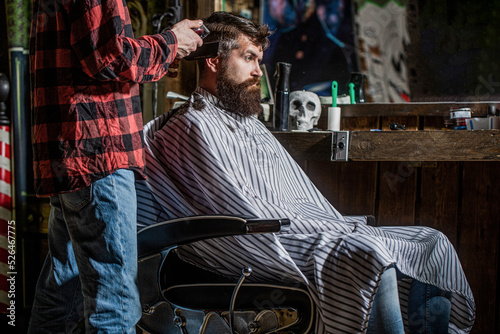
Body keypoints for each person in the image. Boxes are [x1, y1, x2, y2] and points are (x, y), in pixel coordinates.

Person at [140, 11, 475, 333]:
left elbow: (288, 197)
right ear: (213, 61)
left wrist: (332, 225)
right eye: (248, 58)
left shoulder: (244, 122)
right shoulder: (192, 125)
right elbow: (236, 208)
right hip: (252, 243)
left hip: (290, 228)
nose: (259, 72)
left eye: (259, 60)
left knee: (432, 242)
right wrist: (323, 228)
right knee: (370, 255)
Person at [28, 0, 204, 332]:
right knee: (115, 303)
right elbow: (111, 57)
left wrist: (164, 50)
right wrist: (172, 42)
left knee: (63, 294)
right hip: (99, 154)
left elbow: (96, 56)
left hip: (74, 154)